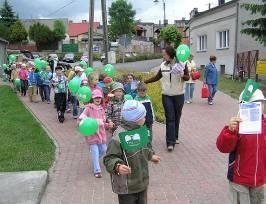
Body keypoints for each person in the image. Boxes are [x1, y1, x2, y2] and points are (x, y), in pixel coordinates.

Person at [103, 100, 160, 204]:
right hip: (127, 186)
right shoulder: (119, 136)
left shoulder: (141, 130)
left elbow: (145, 147)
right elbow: (109, 159)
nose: (145, 119)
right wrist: (117, 166)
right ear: (136, 120)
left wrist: (151, 156)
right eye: (143, 117)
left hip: (141, 182)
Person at [216, 88, 266, 204]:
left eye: (260, 104)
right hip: (239, 179)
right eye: (252, 105)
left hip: (259, 180)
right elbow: (222, 147)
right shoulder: (237, 125)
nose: (257, 107)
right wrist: (230, 131)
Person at [144, 46, 189, 151]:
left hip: (179, 95)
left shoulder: (182, 64)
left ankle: (175, 136)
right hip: (167, 95)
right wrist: (145, 82)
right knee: (170, 118)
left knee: (177, 116)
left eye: (165, 54)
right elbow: (157, 76)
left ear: (170, 54)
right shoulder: (163, 65)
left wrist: (182, 73)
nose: (163, 56)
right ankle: (170, 142)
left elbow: (187, 77)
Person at [78, 89, 113, 178]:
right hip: (92, 135)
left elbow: (103, 122)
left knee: (104, 150)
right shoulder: (88, 108)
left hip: (101, 135)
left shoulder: (102, 109)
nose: (98, 99)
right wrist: (85, 122)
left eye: (99, 97)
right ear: (92, 99)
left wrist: (108, 125)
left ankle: (95, 160)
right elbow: (80, 119)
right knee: (95, 150)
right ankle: (97, 170)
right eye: (96, 98)